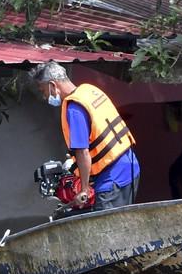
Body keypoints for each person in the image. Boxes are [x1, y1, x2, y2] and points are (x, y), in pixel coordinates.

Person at [28, 61, 139, 211]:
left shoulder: (74, 108)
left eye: (43, 91)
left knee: (106, 231)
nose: (44, 96)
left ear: (53, 86)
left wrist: (84, 190)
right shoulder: (89, 91)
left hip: (112, 178)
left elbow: (82, 151)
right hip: (130, 167)